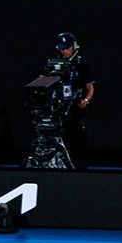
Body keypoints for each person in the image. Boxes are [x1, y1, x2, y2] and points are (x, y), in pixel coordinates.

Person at [51, 32, 95, 170]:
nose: (65, 51)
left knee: (78, 141)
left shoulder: (82, 64)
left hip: (76, 108)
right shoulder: (54, 63)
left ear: (74, 46)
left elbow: (90, 88)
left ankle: (80, 169)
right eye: (62, 48)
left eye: (67, 48)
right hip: (59, 109)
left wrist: (85, 100)